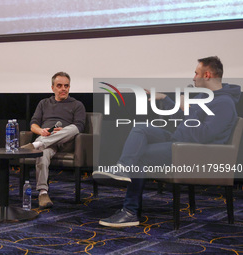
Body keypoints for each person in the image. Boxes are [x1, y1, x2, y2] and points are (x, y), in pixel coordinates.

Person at [93, 56, 241, 227]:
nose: (193, 77)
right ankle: (122, 168)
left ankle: (130, 212)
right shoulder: (204, 96)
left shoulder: (224, 103)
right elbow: (184, 121)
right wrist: (165, 99)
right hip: (182, 140)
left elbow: (203, 135)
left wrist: (187, 110)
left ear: (207, 75)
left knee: (140, 157)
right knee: (141, 128)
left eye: (196, 73)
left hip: (195, 151)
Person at [21, 71, 86, 209]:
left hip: (67, 141)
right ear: (52, 88)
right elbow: (33, 124)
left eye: (66, 86)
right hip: (47, 139)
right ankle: (43, 192)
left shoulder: (77, 105)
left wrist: (62, 132)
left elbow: (79, 127)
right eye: (60, 85)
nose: (63, 88)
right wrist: (41, 131)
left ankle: (35, 144)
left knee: (73, 129)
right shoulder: (44, 103)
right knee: (42, 153)